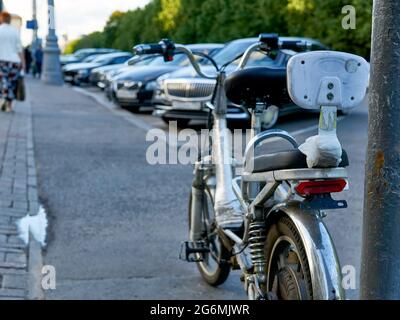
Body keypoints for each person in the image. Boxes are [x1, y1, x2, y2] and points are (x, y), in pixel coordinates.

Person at [0, 11, 25, 112]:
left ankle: (3, 99)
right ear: (9, 20)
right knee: (12, 83)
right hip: (14, 62)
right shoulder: (15, 31)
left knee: (3, 82)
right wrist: (23, 64)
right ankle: (9, 106)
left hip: (1, 61)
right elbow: (20, 49)